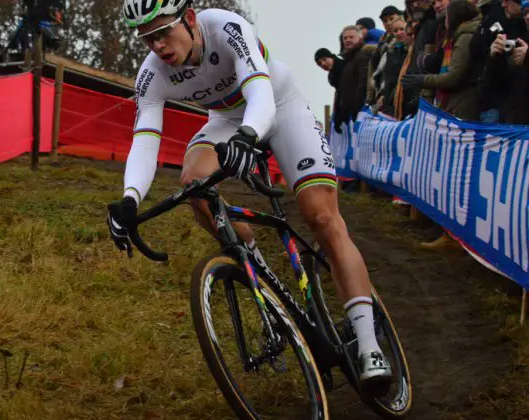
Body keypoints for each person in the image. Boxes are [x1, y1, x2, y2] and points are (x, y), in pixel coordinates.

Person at [106, 0, 393, 391]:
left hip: (279, 105)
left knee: (322, 218)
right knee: (194, 183)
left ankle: (368, 341)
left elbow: (260, 93)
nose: (156, 46)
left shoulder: (226, 27)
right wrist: (129, 199)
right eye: (145, 38)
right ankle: (258, 271)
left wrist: (249, 136)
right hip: (226, 120)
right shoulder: (151, 74)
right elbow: (145, 138)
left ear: (188, 19)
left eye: (162, 32)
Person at [333, 26, 376, 132]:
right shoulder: (348, 60)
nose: (347, 40)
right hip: (350, 116)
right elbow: (343, 90)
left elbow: (364, 84)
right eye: (345, 38)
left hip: (360, 114)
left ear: (360, 38)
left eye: (351, 37)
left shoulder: (362, 57)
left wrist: (357, 109)